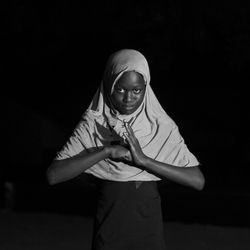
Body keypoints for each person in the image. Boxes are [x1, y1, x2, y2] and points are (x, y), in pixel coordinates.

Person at [47, 49, 205, 250]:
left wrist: (144, 161)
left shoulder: (160, 125)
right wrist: (107, 151)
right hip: (109, 233)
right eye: (120, 90)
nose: (128, 98)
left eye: (136, 90)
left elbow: (197, 181)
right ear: (108, 85)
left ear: (145, 88)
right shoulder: (93, 123)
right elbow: (53, 175)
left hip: (150, 234)